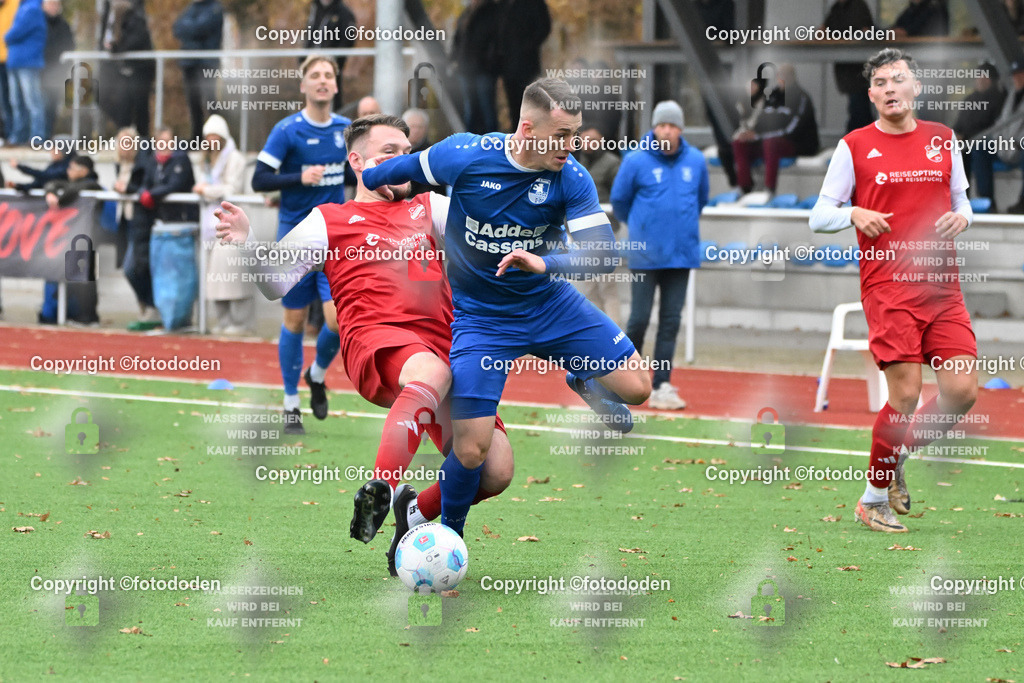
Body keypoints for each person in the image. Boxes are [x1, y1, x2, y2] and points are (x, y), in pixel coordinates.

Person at [215, 114, 514, 575]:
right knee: (430, 372)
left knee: (494, 469)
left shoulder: (429, 208)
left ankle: (413, 514)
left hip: (445, 349)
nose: (402, 161)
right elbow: (275, 283)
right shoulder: (330, 220)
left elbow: (488, 231)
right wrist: (248, 241)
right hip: (377, 341)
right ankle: (381, 489)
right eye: (388, 152)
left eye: (407, 153)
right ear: (357, 162)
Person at [362, 78, 652, 535]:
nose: (571, 145)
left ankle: (583, 379)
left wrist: (545, 262)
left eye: (575, 134)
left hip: (550, 305)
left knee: (638, 388)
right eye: (561, 135)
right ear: (527, 128)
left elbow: (603, 254)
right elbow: (392, 171)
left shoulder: (571, 177)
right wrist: (372, 182)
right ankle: (448, 535)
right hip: (483, 320)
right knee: (472, 450)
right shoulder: (465, 155)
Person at [809, 48, 978, 533]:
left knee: (962, 391)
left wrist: (963, 219)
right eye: (880, 83)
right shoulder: (854, 146)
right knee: (905, 395)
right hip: (888, 288)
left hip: (943, 289)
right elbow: (819, 215)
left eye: (897, 79)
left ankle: (898, 452)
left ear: (915, 87)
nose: (889, 88)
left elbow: (962, 201)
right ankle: (872, 499)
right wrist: (853, 213)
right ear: (871, 95)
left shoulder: (943, 139)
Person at [250, 55, 350, 435]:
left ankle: (317, 373)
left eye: (328, 75)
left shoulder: (346, 130)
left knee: (338, 321)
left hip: (334, 239)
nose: (322, 81)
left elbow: (359, 172)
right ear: (304, 85)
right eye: (315, 75)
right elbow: (259, 179)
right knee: (293, 320)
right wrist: (299, 178)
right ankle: (291, 403)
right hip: (294, 238)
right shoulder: (287, 130)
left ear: (336, 85)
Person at [611, 101, 707, 411]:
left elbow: (701, 199)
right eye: (661, 125)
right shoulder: (635, 160)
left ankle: (662, 384)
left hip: (681, 256)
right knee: (638, 319)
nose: (666, 131)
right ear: (654, 128)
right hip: (645, 256)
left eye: (672, 125)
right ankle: (625, 380)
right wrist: (643, 229)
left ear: (681, 129)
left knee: (670, 322)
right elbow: (620, 202)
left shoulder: (696, 160)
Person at [193, 114, 251, 335]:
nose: (212, 141)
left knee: (232, 276)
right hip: (209, 226)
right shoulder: (206, 160)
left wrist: (206, 190)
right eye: (208, 137)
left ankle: (240, 322)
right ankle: (223, 321)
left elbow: (231, 189)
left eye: (216, 136)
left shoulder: (235, 158)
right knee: (213, 279)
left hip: (231, 225)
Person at [137, 127, 200, 331]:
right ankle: (167, 317)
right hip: (161, 226)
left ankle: (186, 318)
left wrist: (152, 195)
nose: (164, 145)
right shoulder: (152, 161)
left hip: (183, 226)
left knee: (183, 275)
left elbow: (176, 184)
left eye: (168, 140)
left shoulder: (181, 159)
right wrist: (143, 193)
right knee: (163, 275)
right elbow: (144, 183)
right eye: (160, 141)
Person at [733, 63, 819, 196]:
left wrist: (759, 136)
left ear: (792, 77)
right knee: (740, 142)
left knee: (771, 143)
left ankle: (769, 190)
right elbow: (760, 120)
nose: (781, 78)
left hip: (797, 144)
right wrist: (750, 133)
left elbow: (793, 130)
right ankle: (744, 187)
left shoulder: (801, 97)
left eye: (785, 75)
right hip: (769, 142)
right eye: (779, 75)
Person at [38, 154, 103, 325]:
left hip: (88, 237)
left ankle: (89, 316)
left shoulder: (93, 186)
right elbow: (52, 184)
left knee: (85, 280)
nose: (68, 171)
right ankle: (72, 314)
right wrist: (51, 192)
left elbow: (78, 189)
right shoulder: (71, 184)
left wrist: (60, 197)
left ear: (84, 170)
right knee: (73, 279)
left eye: (72, 168)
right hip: (73, 238)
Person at [574, 125, 622, 326]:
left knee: (608, 287)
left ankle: (615, 332)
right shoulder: (575, 162)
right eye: (584, 139)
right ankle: (598, 331)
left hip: (605, 234)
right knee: (589, 288)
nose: (588, 144)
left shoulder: (612, 164)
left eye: (593, 140)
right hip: (582, 235)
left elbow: (619, 196)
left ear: (602, 140)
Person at [971, 59, 1024, 213]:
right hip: (1005, 145)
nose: (1016, 78)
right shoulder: (1012, 95)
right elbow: (1000, 123)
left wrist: (1017, 142)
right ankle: (987, 201)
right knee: (979, 147)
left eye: (1020, 74)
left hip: (1020, 146)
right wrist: (998, 140)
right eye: (1014, 75)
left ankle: (1023, 202)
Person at [493, 0, 550, 132]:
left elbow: (544, 28)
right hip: (508, 67)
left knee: (530, 106)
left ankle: (532, 138)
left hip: (528, 66)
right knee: (514, 108)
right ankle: (517, 136)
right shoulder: (503, 5)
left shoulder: (534, 3)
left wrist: (526, 47)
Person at [100, 0, 154, 136]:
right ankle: (125, 135)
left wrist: (115, 47)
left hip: (141, 68)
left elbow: (137, 39)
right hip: (122, 69)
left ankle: (142, 140)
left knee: (140, 107)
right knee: (117, 103)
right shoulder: (110, 12)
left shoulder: (135, 14)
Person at [953, 61, 1004, 203]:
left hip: (989, 143)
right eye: (979, 76)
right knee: (956, 153)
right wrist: (956, 136)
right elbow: (958, 126)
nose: (980, 79)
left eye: (985, 76)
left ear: (991, 79)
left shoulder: (999, 98)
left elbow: (997, 126)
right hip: (966, 143)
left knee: (978, 148)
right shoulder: (970, 99)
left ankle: (986, 200)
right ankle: (960, 200)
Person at [173, 0, 223, 141]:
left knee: (210, 100)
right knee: (193, 101)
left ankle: (218, 137)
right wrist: (192, 31)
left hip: (208, 63)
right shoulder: (192, 7)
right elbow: (177, 28)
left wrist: (189, 31)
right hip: (190, 62)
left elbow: (201, 28)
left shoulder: (215, 8)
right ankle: (196, 138)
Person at [824, 0, 876, 132]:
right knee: (857, 108)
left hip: (859, 67)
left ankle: (857, 139)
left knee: (859, 109)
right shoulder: (836, 8)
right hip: (846, 67)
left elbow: (865, 31)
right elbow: (825, 29)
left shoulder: (858, 6)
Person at [451, 0, 501, 134]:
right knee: (470, 109)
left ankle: (492, 140)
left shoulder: (493, 11)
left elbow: (497, 39)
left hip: (484, 70)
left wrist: (490, 62)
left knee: (487, 109)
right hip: (465, 69)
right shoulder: (466, 13)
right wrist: (454, 60)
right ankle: (470, 140)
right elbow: (457, 39)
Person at [5, 0, 46, 145]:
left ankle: (37, 137)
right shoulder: (22, 7)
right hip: (15, 61)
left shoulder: (32, 8)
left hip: (28, 62)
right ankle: (18, 136)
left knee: (32, 101)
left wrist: (7, 36)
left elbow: (14, 33)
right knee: (16, 102)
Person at [304, 0, 355, 111]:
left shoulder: (344, 13)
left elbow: (347, 41)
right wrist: (303, 60)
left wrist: (334, 62)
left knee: (332, 100)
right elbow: (309, 38)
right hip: (311, 63)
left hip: (332, 65)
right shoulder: (315, 9)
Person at [41, 0, 72, 138]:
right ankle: (38, 136)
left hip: (56, 72)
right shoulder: (39, 23)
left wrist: (63, 68)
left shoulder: (64, 25)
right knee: (39, 104)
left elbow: (70, 47)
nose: (53, 8)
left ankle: (47, 135)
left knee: (52, 106)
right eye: (51, 4)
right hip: (39, 70)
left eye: (56, 5)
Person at [401, 107, 444, 196]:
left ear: (426, 129)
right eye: (413, 126)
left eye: (420, 127)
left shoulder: (433, 153)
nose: (416, 131)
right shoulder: (396, 152)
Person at [0, 0, 18, 141]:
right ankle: (6, 134)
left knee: (14, 99)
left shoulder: (16, 4)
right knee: (3, 100)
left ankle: (15, 134)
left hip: (13, 59)